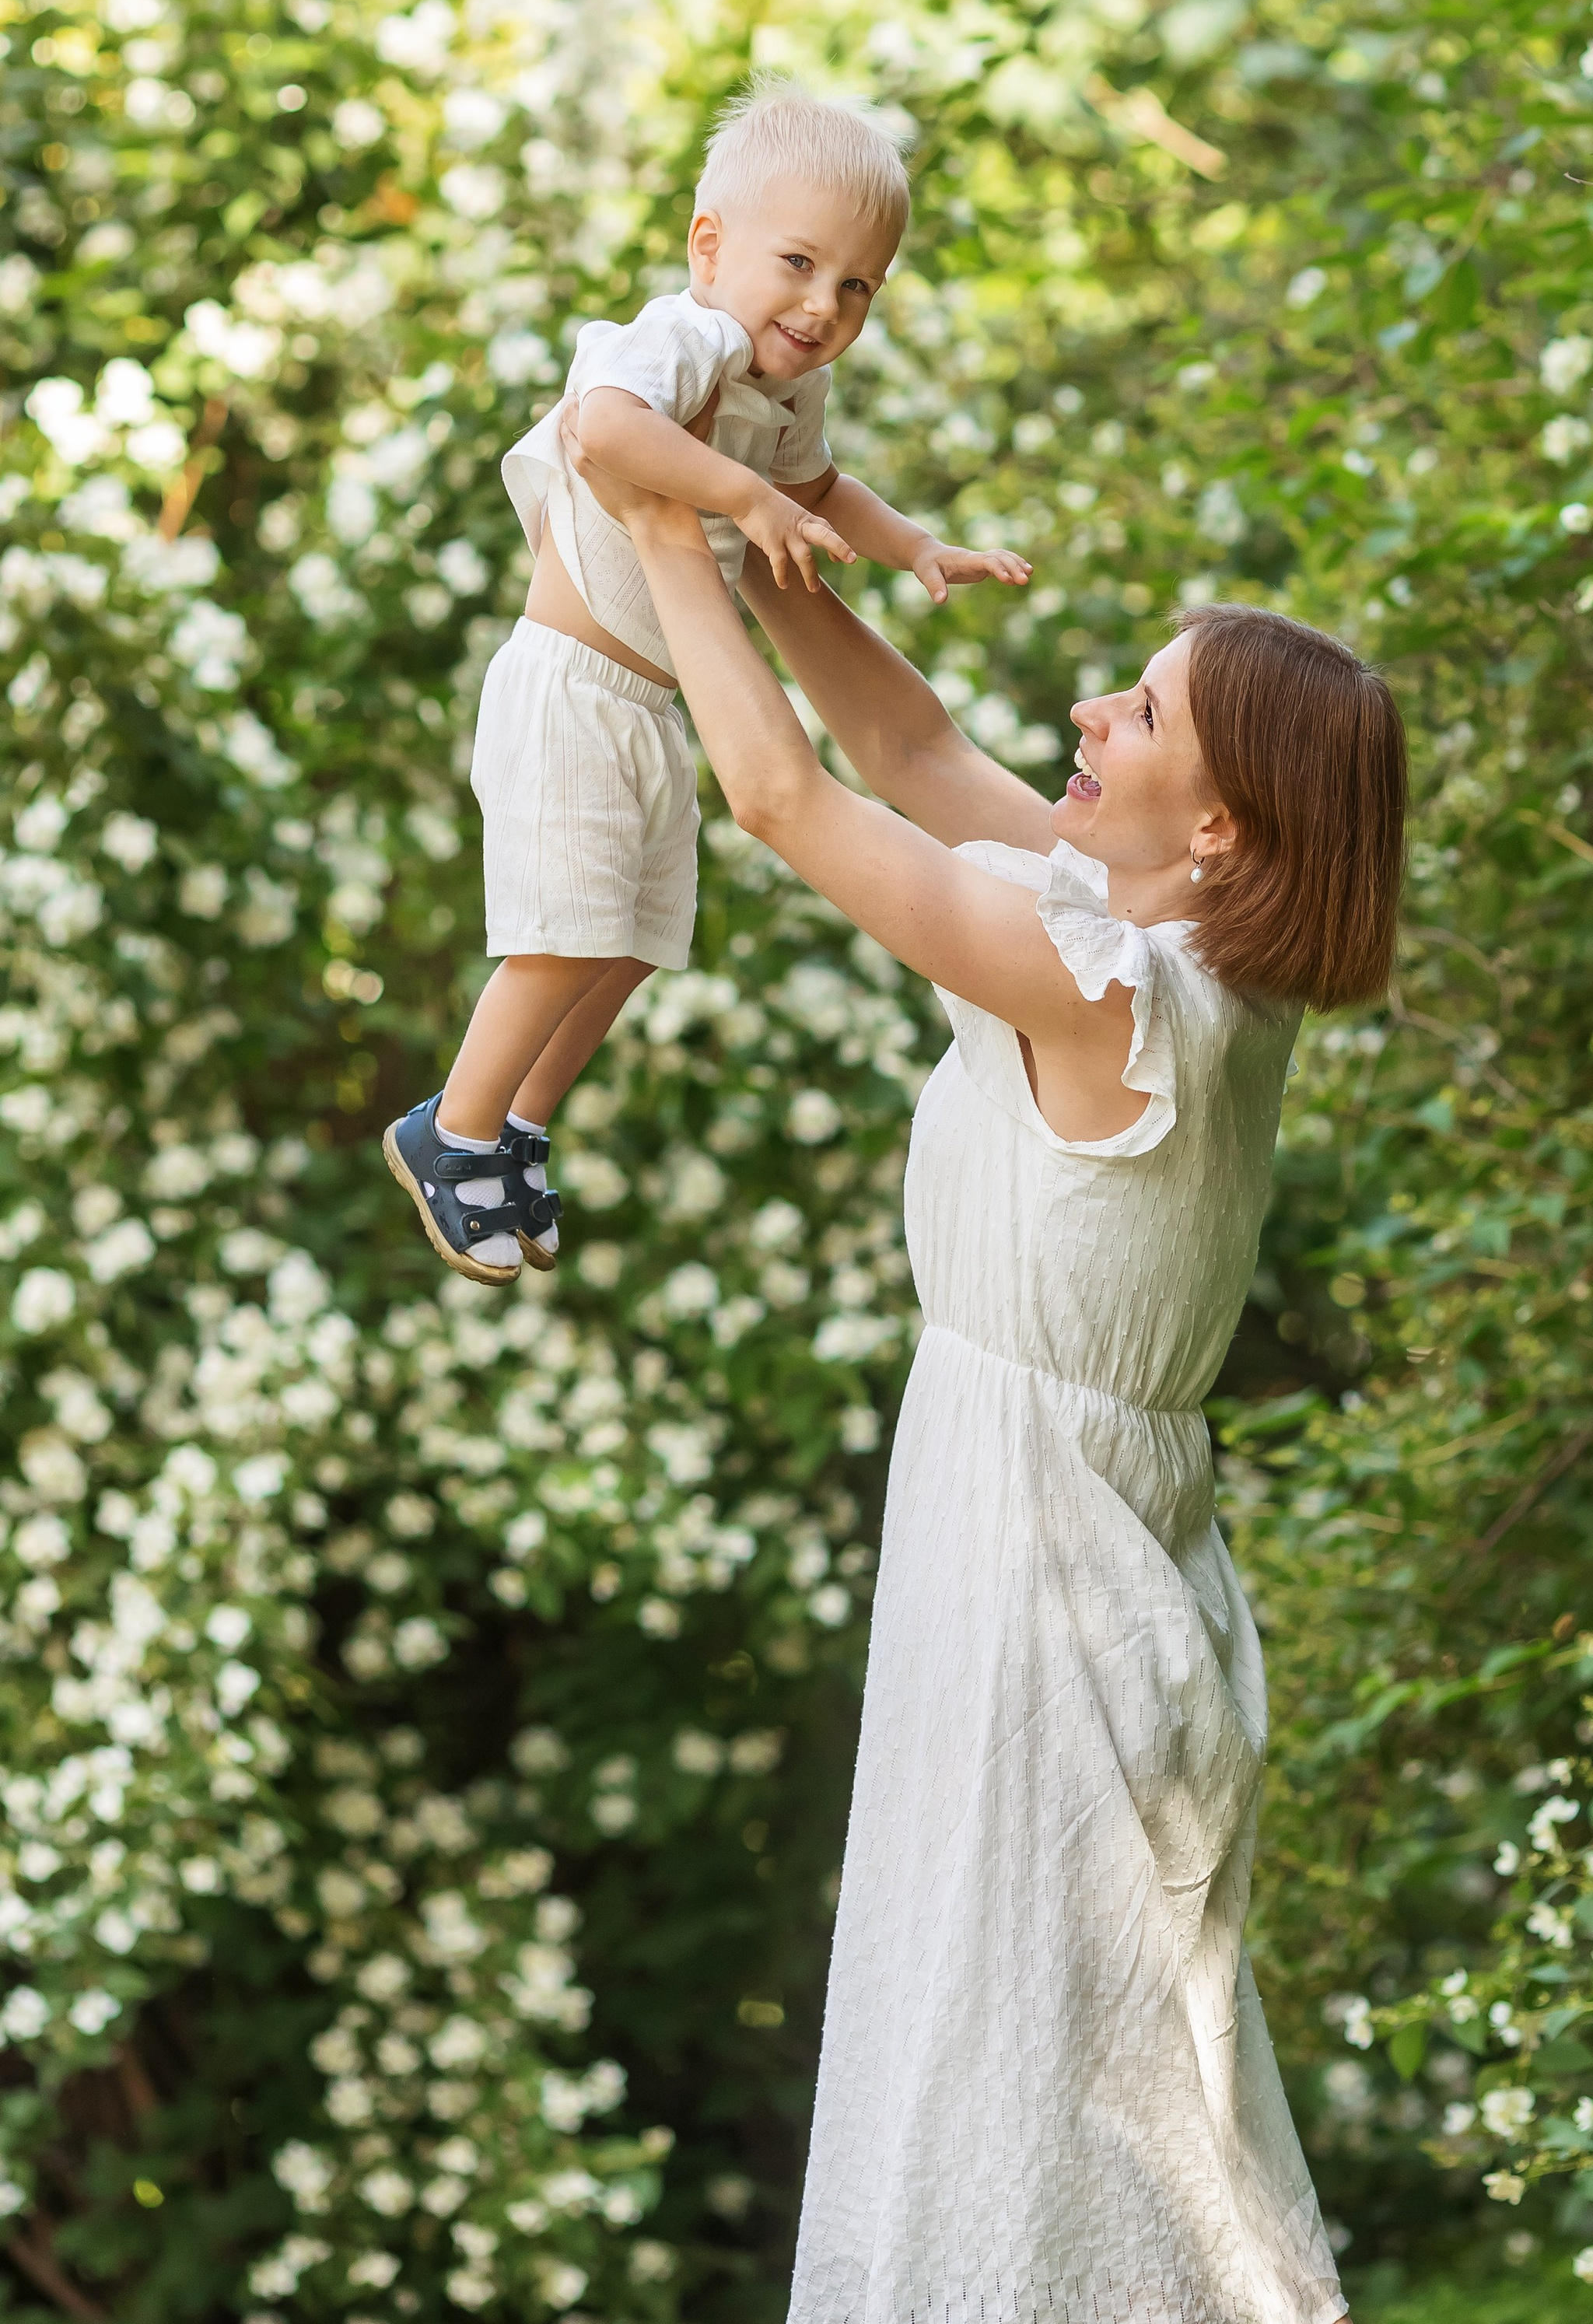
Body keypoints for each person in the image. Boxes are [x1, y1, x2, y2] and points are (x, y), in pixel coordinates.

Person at [579, 450, 1406, 2324]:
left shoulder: (1112, 991)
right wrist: (766, 535)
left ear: (1217, 833)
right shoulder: (1161, 953)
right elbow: (913, 750)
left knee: (1007, 2083)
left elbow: (785, 795)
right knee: (1030, 2084)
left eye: (1142, 711)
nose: (1085, 713)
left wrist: (650, 525)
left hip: (1049, 1580)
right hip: (1063, 1544)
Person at [381, 82, 1028, 1284]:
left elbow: (827, 489)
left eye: (856, 288)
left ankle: (519, 1123)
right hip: (571, 687)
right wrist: (740, 497)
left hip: (651, 705)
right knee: (565, 935)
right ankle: (450, 1130)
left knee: (632, 940)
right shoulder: (684, 338)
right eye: (797, 263)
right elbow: (606, 431)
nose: (821, 306)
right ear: (709, 245)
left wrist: (916, 548)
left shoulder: (787, 394)